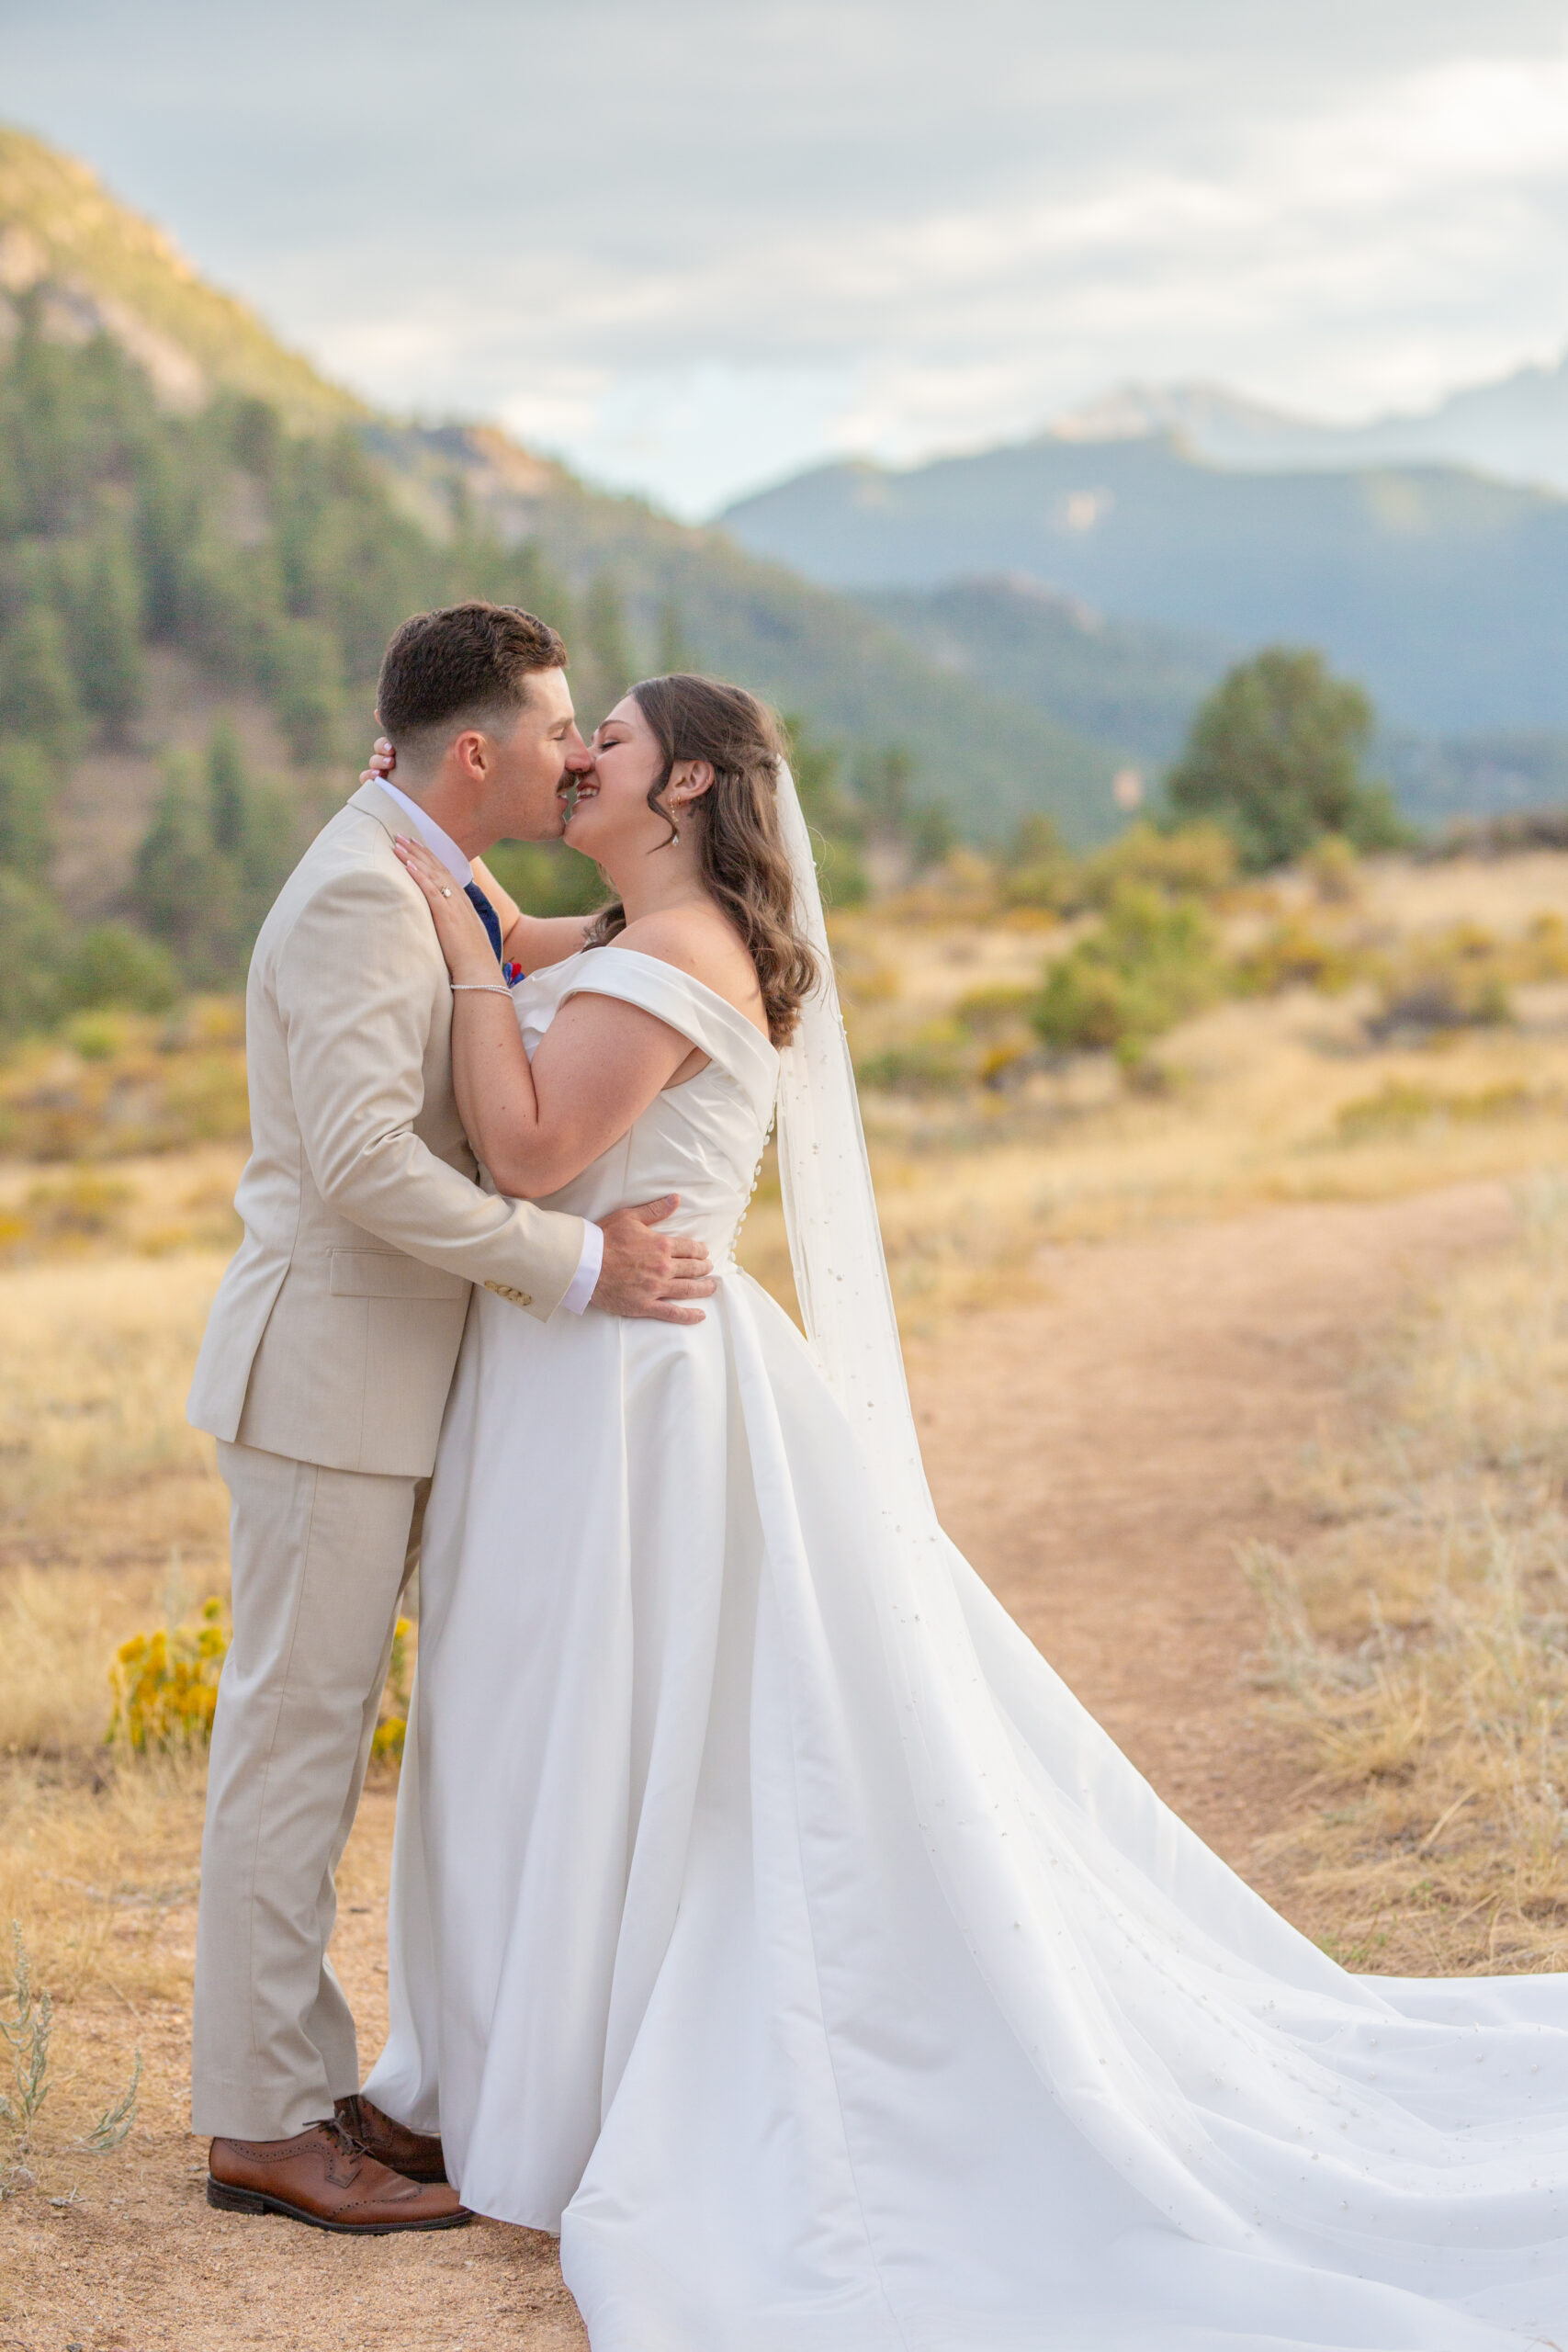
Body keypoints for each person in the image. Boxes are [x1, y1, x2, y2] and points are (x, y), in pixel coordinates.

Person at [367, 671, 1568, 2347]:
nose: (581, 759)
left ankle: (574, 2071)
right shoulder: (638, 936)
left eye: (611, 743)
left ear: (691, 783)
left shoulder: (684, 958)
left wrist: (449, 947)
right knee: (559, 1724)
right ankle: (518, 2056)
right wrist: (445, 864)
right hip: (583, 1376)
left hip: (632, 1395)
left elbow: (526, 1149)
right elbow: (521, 948)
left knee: (624, 1729)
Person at [185, 604, 716, 2234]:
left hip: (385, 1382)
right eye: (559, 729)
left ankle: (303, 2073)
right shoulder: (362, 888)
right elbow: (359, 1163)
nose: (575, 752)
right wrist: (573, 1266)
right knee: (295, 1743)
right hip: (329, 1381)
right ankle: (266, 2125)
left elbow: (554, 951)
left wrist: (641, 904)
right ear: (475, 751)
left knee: (324, 1736)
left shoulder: (423, 865)